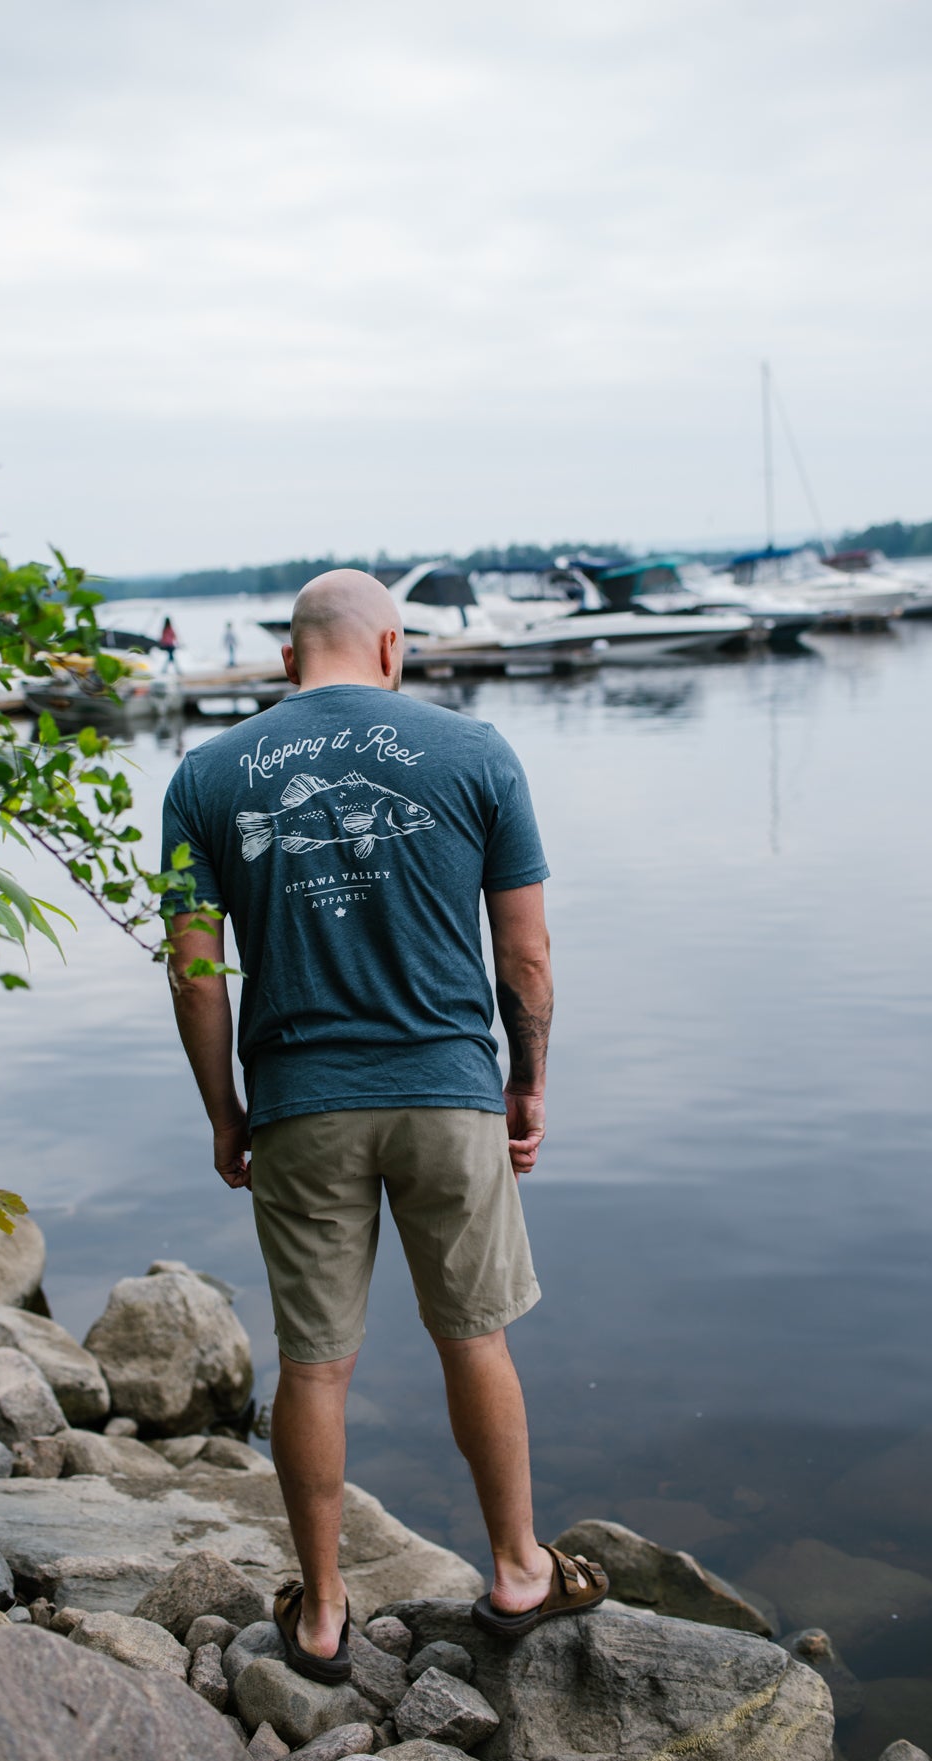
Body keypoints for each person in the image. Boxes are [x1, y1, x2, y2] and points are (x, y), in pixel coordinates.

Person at [161, 568, 606, 1684]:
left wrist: (226, 1112)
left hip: (301, 1104)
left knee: (313, 1365)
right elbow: (527, 955)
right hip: (450, 1090)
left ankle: (318, 1616)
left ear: (284, 657)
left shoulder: (203, 776)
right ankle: (515, 1572)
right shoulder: (478, 754)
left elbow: (193, 971)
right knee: (476, 1336)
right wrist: (529, 1081)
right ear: (393, 648)